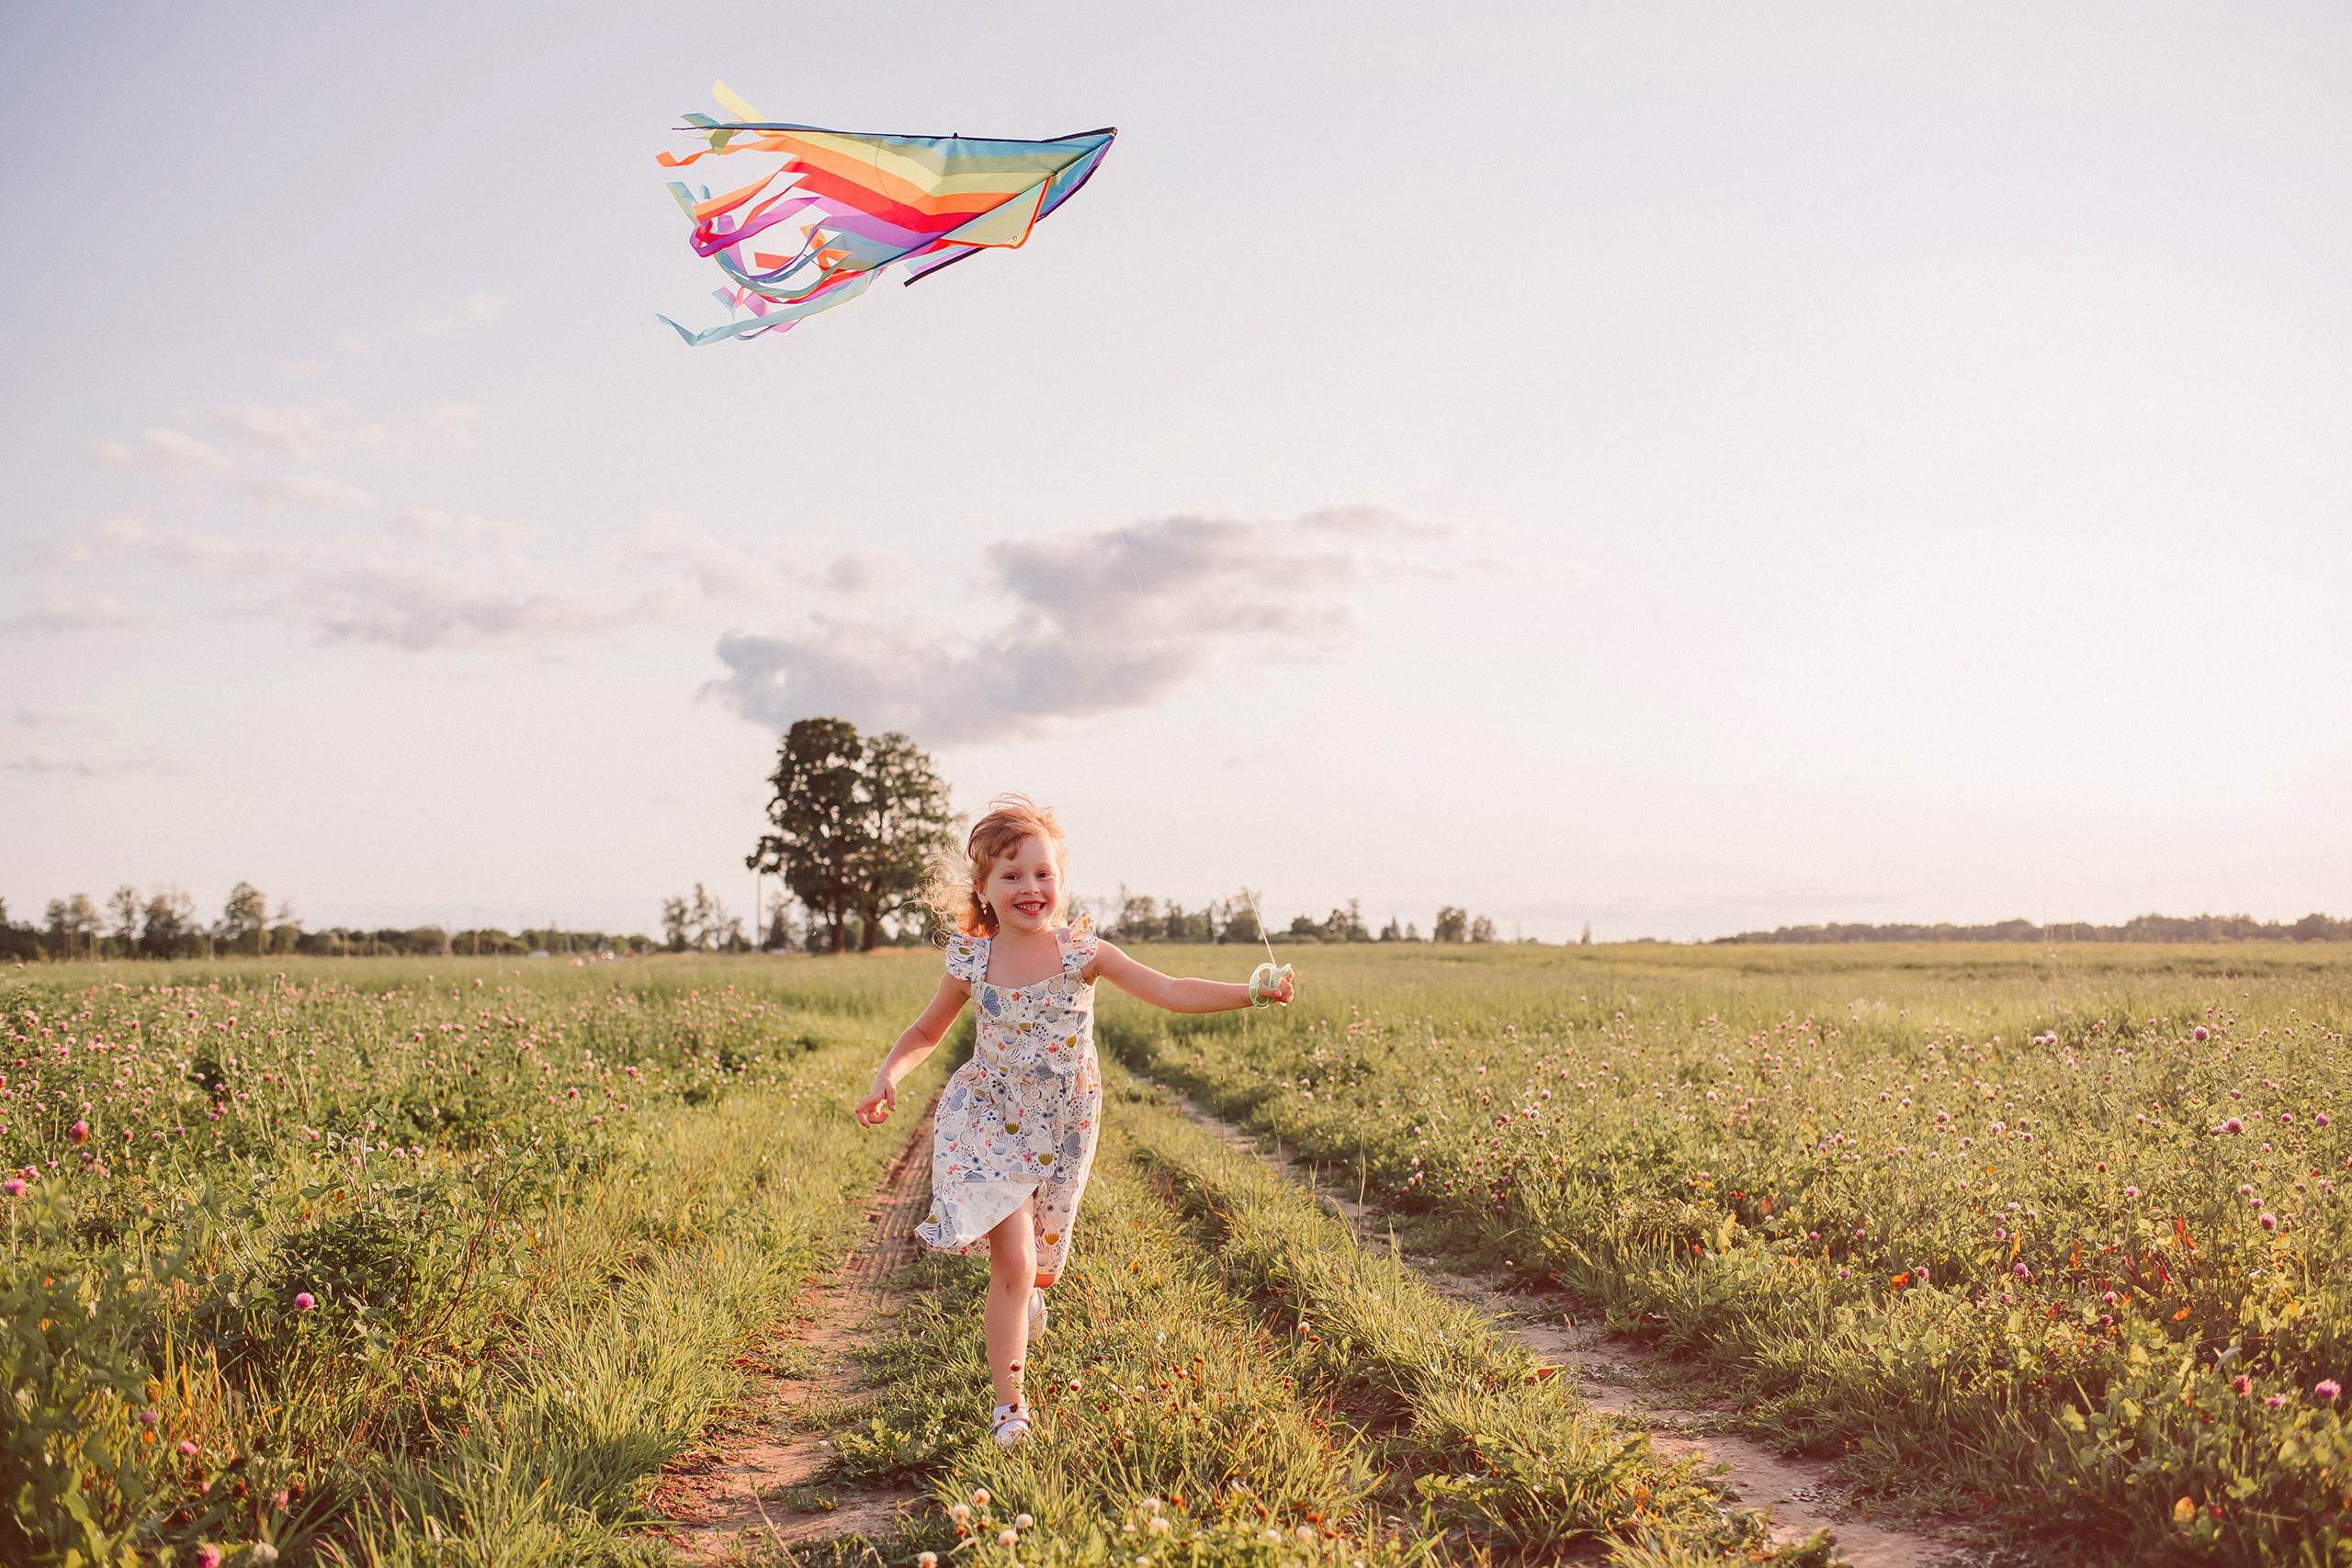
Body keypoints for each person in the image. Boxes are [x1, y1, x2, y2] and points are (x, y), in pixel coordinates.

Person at [854, 795, 1295, 1448]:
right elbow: (926, 1028)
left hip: (1063, 1124)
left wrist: (1250, 991)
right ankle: (1010, 1406)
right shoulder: (971, 961)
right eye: (1011, 875)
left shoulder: (1085, 953)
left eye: (1042, 872)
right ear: (983, 890)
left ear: (1060, 879)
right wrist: (890, 1071)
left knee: (1040, 1267)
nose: (1030, 887)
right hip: (990, 1117)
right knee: (1014, 1257)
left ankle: (1029, 1294)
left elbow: (1171, 989)